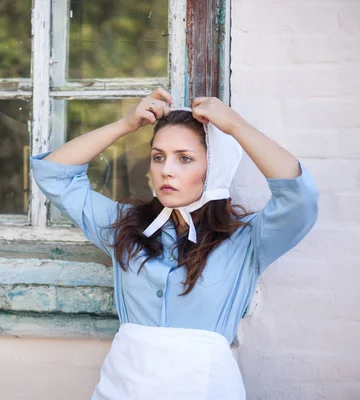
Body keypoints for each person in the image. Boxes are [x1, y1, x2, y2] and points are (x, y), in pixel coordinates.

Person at [30, 87, 319, 399]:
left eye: (185, 158)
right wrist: (125, 125)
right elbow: (53, 174)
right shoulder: (124, 226)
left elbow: (299, 199)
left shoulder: (245, 240)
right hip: (122, 390)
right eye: (158, 157)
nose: (166, 170)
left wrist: (236, 126)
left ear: (214, 168)